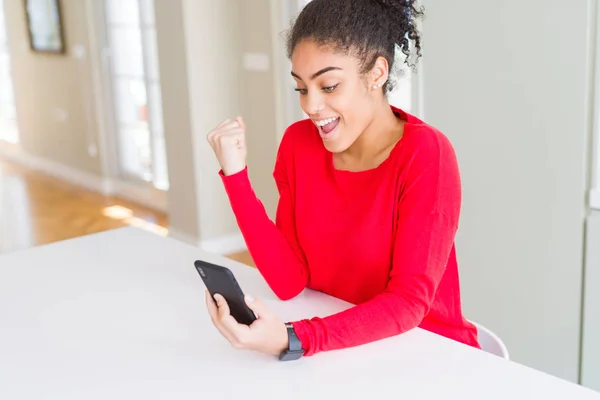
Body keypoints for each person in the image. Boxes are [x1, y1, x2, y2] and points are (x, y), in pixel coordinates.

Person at [205, 0, 481, 359]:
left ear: (377, 73)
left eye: (329, 86)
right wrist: (235, 175)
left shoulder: (426, 155)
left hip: (430, 355)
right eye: (301, 88)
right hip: (343, 351)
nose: (311, 105)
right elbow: (289, 281)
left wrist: (295, 338)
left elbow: (408, 303)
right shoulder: (298, 145)